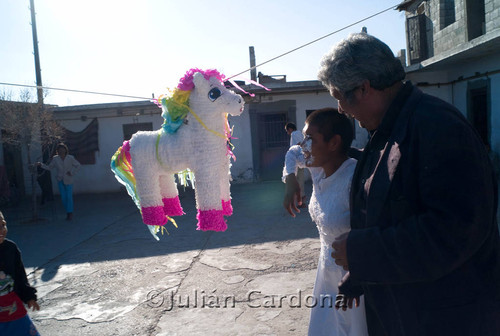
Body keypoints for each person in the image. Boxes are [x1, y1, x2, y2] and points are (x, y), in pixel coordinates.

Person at [318, 33, 500, 335]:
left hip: (447, 318)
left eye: (339, 97)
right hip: (409, 312)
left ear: (363, 88)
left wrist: (363, 253)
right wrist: (358, 276)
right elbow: (387, 212)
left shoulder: (437, 127)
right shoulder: (389, 129)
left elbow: (453, 231)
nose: (340, 110)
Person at [283, 108, 368, 336]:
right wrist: (290, 179)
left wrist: (356, 278)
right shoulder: (319, 168)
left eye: (310, 139)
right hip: (326, 274)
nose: (303, 146)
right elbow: (292, 152)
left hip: (352, 281)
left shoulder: (355, 180)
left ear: (334, 143)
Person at [0, 211, 41, 335]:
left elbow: (20, 276)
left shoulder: (11, 249)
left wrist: (29, 296)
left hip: (13, 307)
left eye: (3, 224)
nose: (1, 230)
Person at [37, 143, 81, 220]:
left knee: (69, 197)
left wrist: (72, 172)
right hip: (60, 180)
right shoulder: (55, 159)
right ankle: (68, 211)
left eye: (62, 149)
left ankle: (69, 213)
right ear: (57, 151)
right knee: (64, 198)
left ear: (65, 150)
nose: (61, 151)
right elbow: (50, 167)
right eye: (59, 150)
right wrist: (41, 165)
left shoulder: (70, 158)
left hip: (68, 179)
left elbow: (78, 165)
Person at [285, 122, 306, 207]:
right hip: (301, 160)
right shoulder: (300, 133)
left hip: (297, 161)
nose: (287, 133)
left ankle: (300, 201)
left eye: (287, 131)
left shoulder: (294, 134)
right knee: (299, 181)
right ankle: (300, 201)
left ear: (290, 129)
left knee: (297, 181)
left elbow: (298, 144)